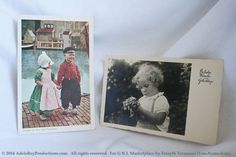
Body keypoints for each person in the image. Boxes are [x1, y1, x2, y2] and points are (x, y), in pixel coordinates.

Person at [131, 64, 170, 132]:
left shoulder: (160, 99)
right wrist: (133, 109)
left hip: (156, 134)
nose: (143, 90)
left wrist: (140, 110)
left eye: (146, 86)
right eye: (141, 87)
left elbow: (159, 120)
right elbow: (138, 119)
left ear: (156, 83)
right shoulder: (141, 100)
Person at [28, 51, 61, 121]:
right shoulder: (39, 71)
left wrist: (57, 84)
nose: (50, 64)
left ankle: (47, 110)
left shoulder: (50, 71)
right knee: (41, 100)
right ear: (44, 63)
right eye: (48, 63)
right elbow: (37, 80)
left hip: (49, 89)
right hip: (41, 89)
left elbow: (52, 79)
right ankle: (40, 113)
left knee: (49, 100)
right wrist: (43, 85)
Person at [57, 47, 81, 115]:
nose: (72, 56)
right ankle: (65, 108)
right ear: (65, 54)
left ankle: (74, 108)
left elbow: (78, 73)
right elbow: (60, 75)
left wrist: (79, 81)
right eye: (70, 55)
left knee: (75, 95)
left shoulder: (75, 65)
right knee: (65, 96)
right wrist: (58, 83)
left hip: (75, 83)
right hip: (66, 83)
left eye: (73, 55)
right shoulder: (62, 65)